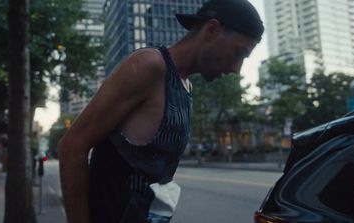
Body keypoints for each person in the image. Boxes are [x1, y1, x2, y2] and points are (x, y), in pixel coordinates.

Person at [58, 0, 264, 222]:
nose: (236, 69)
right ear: (212, 30)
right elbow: (72, 146)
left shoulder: (186, 86)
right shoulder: (150, 66)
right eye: (238, 53)